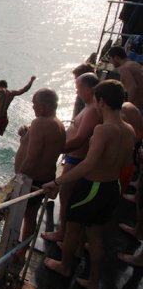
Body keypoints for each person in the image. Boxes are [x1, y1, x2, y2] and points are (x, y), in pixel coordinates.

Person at [42, 80, 136, 289]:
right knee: (95, 236)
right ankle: (93, 282)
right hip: (112, 187)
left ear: (101, 101)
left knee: (73, 230)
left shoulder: (104, 130)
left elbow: (88, 164)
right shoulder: (129, 129)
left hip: (92, 187)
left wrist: (57, 182)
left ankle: (65, 266)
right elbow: (126, 163)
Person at [41, 73, 102, 242]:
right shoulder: (89, 106)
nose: (76, 92)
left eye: (78, 88)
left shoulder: (92, 110)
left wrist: (56, 150)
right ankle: (65, 232)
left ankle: (63, 234)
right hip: (72, 158)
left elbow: (81, 139)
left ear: (88, 89)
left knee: (67, 197)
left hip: (77, 159)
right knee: (65, 196)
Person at [14, 89, 66, 263]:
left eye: (35, 104)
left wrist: (18, 179)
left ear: (43, 107)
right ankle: (21, 252)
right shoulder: (57, 123)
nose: (33, 107)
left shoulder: (40, 122)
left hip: (31, 180)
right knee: (30, 217)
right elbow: (45, 148)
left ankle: (11, 251)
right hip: (44, 178)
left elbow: (34, 156)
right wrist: (26, 136)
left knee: (16, 215)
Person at [0, 66, 36, 156]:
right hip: (4, 119)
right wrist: (31, 81)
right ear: (6, 86)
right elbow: (24, 90)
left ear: (0, 85)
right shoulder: (11, 93)